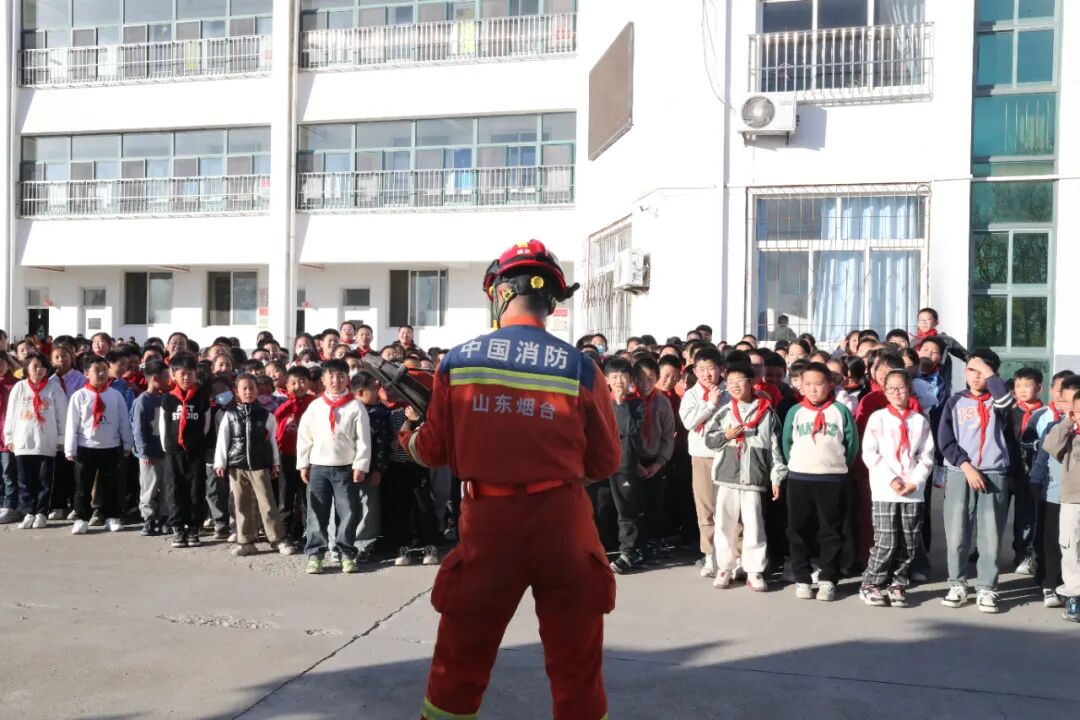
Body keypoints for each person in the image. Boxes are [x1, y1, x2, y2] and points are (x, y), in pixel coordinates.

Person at [398, 240, 619, 720]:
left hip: (488, 525)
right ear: (550, 301)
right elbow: (605, 461)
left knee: (459, 661)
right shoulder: (581, 367)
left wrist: (408, 435)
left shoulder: (458, 362)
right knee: (576, 667)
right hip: (563, 523)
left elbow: (432, 451)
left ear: (499, 294)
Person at [937, 350, 1016, 613]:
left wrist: (989, 373)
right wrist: (965, 465)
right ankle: (957, 584)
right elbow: (945, 440)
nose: (975, 375)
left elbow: (1005, 402)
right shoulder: (955, 402)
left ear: (993, 374)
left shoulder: (999, 401)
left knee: (990, 534)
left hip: (994, 473)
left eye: (982, 371)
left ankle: (987, 587)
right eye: (971, 369)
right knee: (957, 532)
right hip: (961, 472)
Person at [703, 362, 786, 591]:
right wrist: (726, 436)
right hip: (727, 475)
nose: (734, 386)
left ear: (751, 383)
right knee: (724, 522)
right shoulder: (724, 411)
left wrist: (776, 477)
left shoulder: (767, 413)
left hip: (754, 477)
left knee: (754, 524)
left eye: (739, 381)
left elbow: (776, 449)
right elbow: (709, 439)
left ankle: (754, 570)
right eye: (730, 382)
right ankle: (724, 567)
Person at [782, 361, 859, 602]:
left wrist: (837, 467)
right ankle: (802, 577)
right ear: (801, 386)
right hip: (800, 477)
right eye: (808, 384)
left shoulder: (840, 411)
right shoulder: (795, 412)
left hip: (832, 478)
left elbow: (851, 445)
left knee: (831, 530)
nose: (813, 389)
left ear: (830, 384)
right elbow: (787, 443)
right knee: (798, 529)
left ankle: (828, 578)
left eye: (819, 384)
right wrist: (797, 465)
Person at [859, 370, 934, 608]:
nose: (897, 393)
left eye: (901, 388)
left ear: (909, 390)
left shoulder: (919, 421)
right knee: (886, 539)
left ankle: (898, 582)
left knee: (909, 540)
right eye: (891, 389)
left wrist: (915, 481)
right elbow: (870, 453)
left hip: (912, 491)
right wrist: (891, 479)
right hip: (885, 489)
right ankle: (871, 582)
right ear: (885, 391)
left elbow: (926, 455)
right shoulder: (878, 418)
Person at [296, 359, 372, 575]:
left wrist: (360, 465)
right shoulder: (315, 406)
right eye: (330, 376)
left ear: (347, 379)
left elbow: (363, 440)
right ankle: (316, 554)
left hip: (344, 469)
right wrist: (303, 464)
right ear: (322, 380)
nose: (335, 381)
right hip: (318, 467)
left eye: (340, 376)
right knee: (316, 511)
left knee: (348, 512)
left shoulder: (355, 406)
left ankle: (346, 552)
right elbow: (305, 437)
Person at [214, 374, 295, 558]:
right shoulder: (230, 414)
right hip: (237, 465)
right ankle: (246, 541)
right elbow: (223, 440)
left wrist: (275, 462)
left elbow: (273, 441)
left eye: (251, 388)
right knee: (240, 504)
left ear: (257, 390)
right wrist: (220, 462)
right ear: (236, 392)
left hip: (259, 465)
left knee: (267, 502)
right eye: (244, 388)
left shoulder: (265, 415)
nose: (248, 392)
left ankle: (277, 539)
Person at [64, 356, 133, 535]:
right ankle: (81, 518)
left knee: (111, 484)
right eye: (97, 370)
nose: (101, 374)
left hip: (111, 446)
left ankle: (112, 516)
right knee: (83, 486)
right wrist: (70, 448)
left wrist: (127, 443)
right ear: (86, 373)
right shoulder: (79, 396)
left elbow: (123, 421)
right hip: (86, 446)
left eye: (104, 370)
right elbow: (72, 423)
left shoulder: (115, 395)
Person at [3, 352, 67, 529]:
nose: (39, 370)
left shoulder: (54, 388)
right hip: (23, 441)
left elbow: (62, 415)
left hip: (46, 442)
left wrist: (61, 438)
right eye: (35, 366)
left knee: (44, 481)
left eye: (42, 367)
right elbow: (11, 414)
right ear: (26, 369)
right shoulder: (20, 387)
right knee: (24, 481)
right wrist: (9, 436)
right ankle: (28, 512)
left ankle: (41, 513)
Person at [678, 346, 726, 578]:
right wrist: (710, 404)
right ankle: (709, 554)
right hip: (702, 456)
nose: (707, 374)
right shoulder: (691, 395)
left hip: (727, 455)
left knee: (728, 508)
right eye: (702, 369)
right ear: (695, 371)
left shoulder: (729, 391)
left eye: (712, 368)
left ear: (721, 369)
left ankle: (733, 556)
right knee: (706, 508)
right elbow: (688, 423)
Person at [1031, 372, 1077, 608]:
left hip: (1075, 499)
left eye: (1072, 402)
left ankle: (1071, 589)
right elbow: (1044, 456)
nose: (1067, 406)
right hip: (1054, 495)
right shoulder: (1054, 427)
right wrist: (1035, 482)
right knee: (1052, 542)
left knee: (1073, 548)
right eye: (1064, 400)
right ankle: (1050, 583)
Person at [159, 353, 212, 549]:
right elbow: (163, 425)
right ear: (173, 375)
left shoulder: (201, 398)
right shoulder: (168, 399)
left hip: (195, 452)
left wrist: (197, 443)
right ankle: (178, 527)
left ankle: (194, 527)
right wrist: (168, 447)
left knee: (196, 490)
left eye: (190, 373)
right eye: (182, 374)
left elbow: (206, 425)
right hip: (174, 452)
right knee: (175, 490)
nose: (186, 377)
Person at [603, 357, 647, 573]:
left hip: (624, 464)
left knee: (625, 510)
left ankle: (629, 551)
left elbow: (630, 430)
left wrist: (621, 405)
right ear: (606, 379)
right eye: (614, 377)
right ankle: (604, 547)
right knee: (602, 507)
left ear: (630, 379)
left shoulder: (636, 403)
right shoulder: (601, 400)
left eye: (623, 376)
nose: (618, 381)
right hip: (601, 463)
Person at [1039, 393, 1080, 623]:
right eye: (1078, 411)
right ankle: (1074, 596)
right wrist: (1067, 421)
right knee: (1071, 550)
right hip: (1071, 502)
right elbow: (1049, 445)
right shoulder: (1068, 436)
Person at [631, 356, 676, 556]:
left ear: (657, 379)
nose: (645, 384)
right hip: (633, 461)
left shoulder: (663, 402)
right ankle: (636, 544)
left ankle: (654, 541)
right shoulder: (628, 401)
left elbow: (668, 435)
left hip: (656, 461)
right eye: (640, 379)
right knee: (635, 505)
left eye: (650, 379)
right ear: (633, 379)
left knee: (655, 503)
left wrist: (660, 462)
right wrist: (634, 463)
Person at [274, 366, 315, 549]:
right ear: (287, 384)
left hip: (309, 458)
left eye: (302, 382)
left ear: (309, 383)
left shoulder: (314, 405)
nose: (298, 386)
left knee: (307, 499)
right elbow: (276, 431)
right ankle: (285, 534)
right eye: (293, 383)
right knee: (286, 498)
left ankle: (309, 533)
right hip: (287, 457)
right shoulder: (283, 407)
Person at [352, 370, 389, 563]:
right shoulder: (347, 411)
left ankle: (364, 545)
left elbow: (382, 445)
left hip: (371, 467)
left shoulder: (379, 413)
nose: (378, 392)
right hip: (346, 468)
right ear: (360, 392)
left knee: (368, 507)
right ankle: (342, 543)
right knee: (347, 506)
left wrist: (378, 469)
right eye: (374, 389)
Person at [132, 359, 168, 536]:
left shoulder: (164, 399)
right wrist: (143, 452)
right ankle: (148, 518)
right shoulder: (142, 401)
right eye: (165, 376)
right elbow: (137, 429)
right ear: (155, 378)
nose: (168, 379)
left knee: (166, 486)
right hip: (149, 453)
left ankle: (164, 518)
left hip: (164, 451)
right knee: (149, 486)